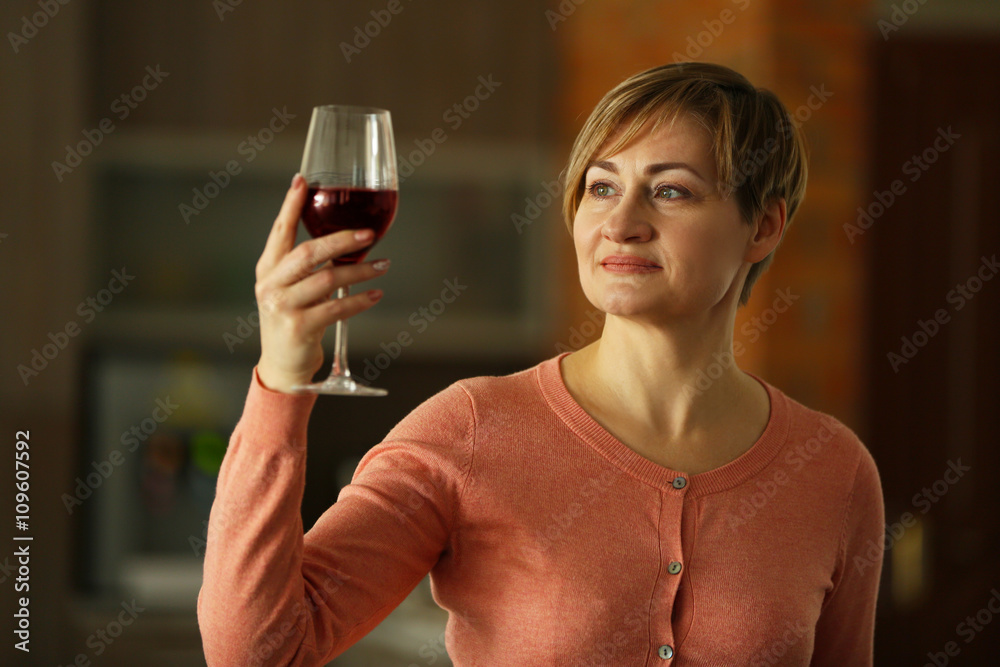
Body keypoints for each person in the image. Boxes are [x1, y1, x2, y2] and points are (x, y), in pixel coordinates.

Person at [198, 61, 885, 666]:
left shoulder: (833, 470)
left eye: (671, 190)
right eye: (601, 186)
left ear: (763, 226)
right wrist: (281, 383)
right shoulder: (472, 428)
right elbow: (259, 651)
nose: (621, 223)